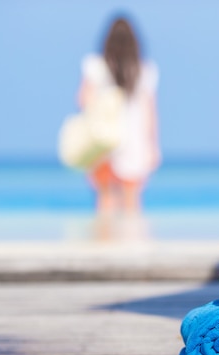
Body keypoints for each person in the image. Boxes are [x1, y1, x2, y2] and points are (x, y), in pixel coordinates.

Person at [77, 16, 160, 215]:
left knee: (105, 197)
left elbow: (83, 100)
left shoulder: (96, 66)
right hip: (135, 140)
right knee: (132, 199)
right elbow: (150, 112)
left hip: (104, 138)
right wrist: (153, 145)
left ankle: (104, 244)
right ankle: (133, 243)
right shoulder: (144, 70)